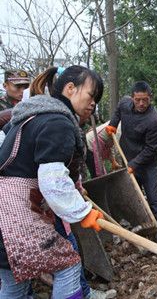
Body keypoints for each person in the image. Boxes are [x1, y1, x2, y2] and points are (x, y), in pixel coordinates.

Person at [0, 65, 105, 298]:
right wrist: (82, 212)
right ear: (70, 88)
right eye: (91, 96)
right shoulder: (58, 123)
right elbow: (52, 180)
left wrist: (77, 190)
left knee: (14, 281)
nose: (93, 105)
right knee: (67, 265)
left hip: (5, 220)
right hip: (13, 216)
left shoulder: (32, 116)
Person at [106, 81, 157, 245]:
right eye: (138, 100)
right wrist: (113, 124)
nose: (141, 103)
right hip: (127, 156)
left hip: (147, 165)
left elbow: (151, 149)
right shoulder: (125, 104)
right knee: (135, 197)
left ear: (150, 98)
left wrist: (134, 164)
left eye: (145, 100)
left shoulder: (155, 120)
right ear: (132, 98)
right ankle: (142, 226)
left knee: (153, 198)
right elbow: (118, 110)